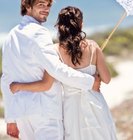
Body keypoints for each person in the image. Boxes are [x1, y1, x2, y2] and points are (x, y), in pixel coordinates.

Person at [10, 6, 117, 140]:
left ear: (60, 26)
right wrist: (96, 74)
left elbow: (46, 84)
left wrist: (18, 86)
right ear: (81, 24)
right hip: (95, 104)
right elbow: (106, 79)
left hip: (71, 108)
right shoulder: (93, 46)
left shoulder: (55, 50)